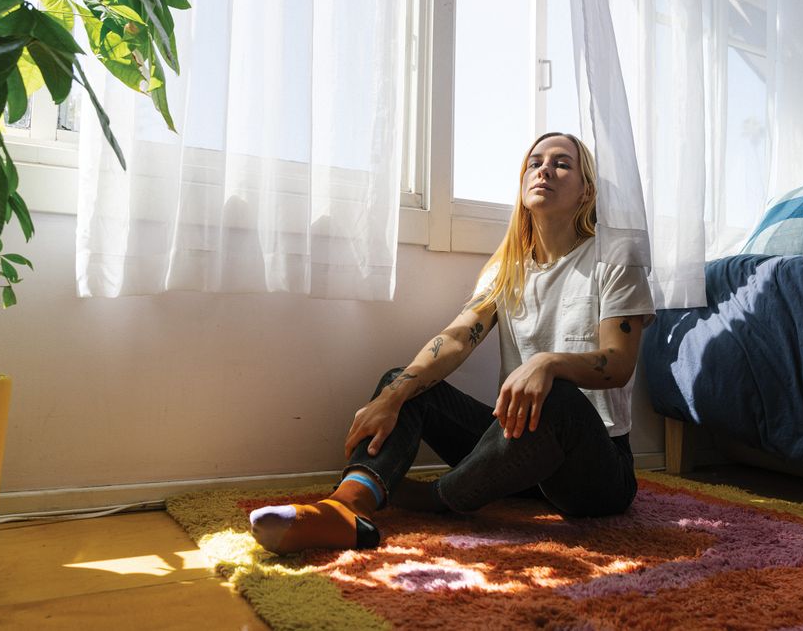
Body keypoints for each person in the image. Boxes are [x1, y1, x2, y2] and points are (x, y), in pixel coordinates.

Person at [249, 132, 655, 554]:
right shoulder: (507, 270)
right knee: (405, 384)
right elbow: (458, 338)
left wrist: (548, 363)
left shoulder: (615, 254)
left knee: (558, 397)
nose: (544, 170)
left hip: (594, 468)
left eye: (561, 163)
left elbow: (619, 362)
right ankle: (346, 508)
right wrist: (394, 394)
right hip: (519, 453)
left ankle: (437, 498)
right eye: (534, 162)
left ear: (585, 190)